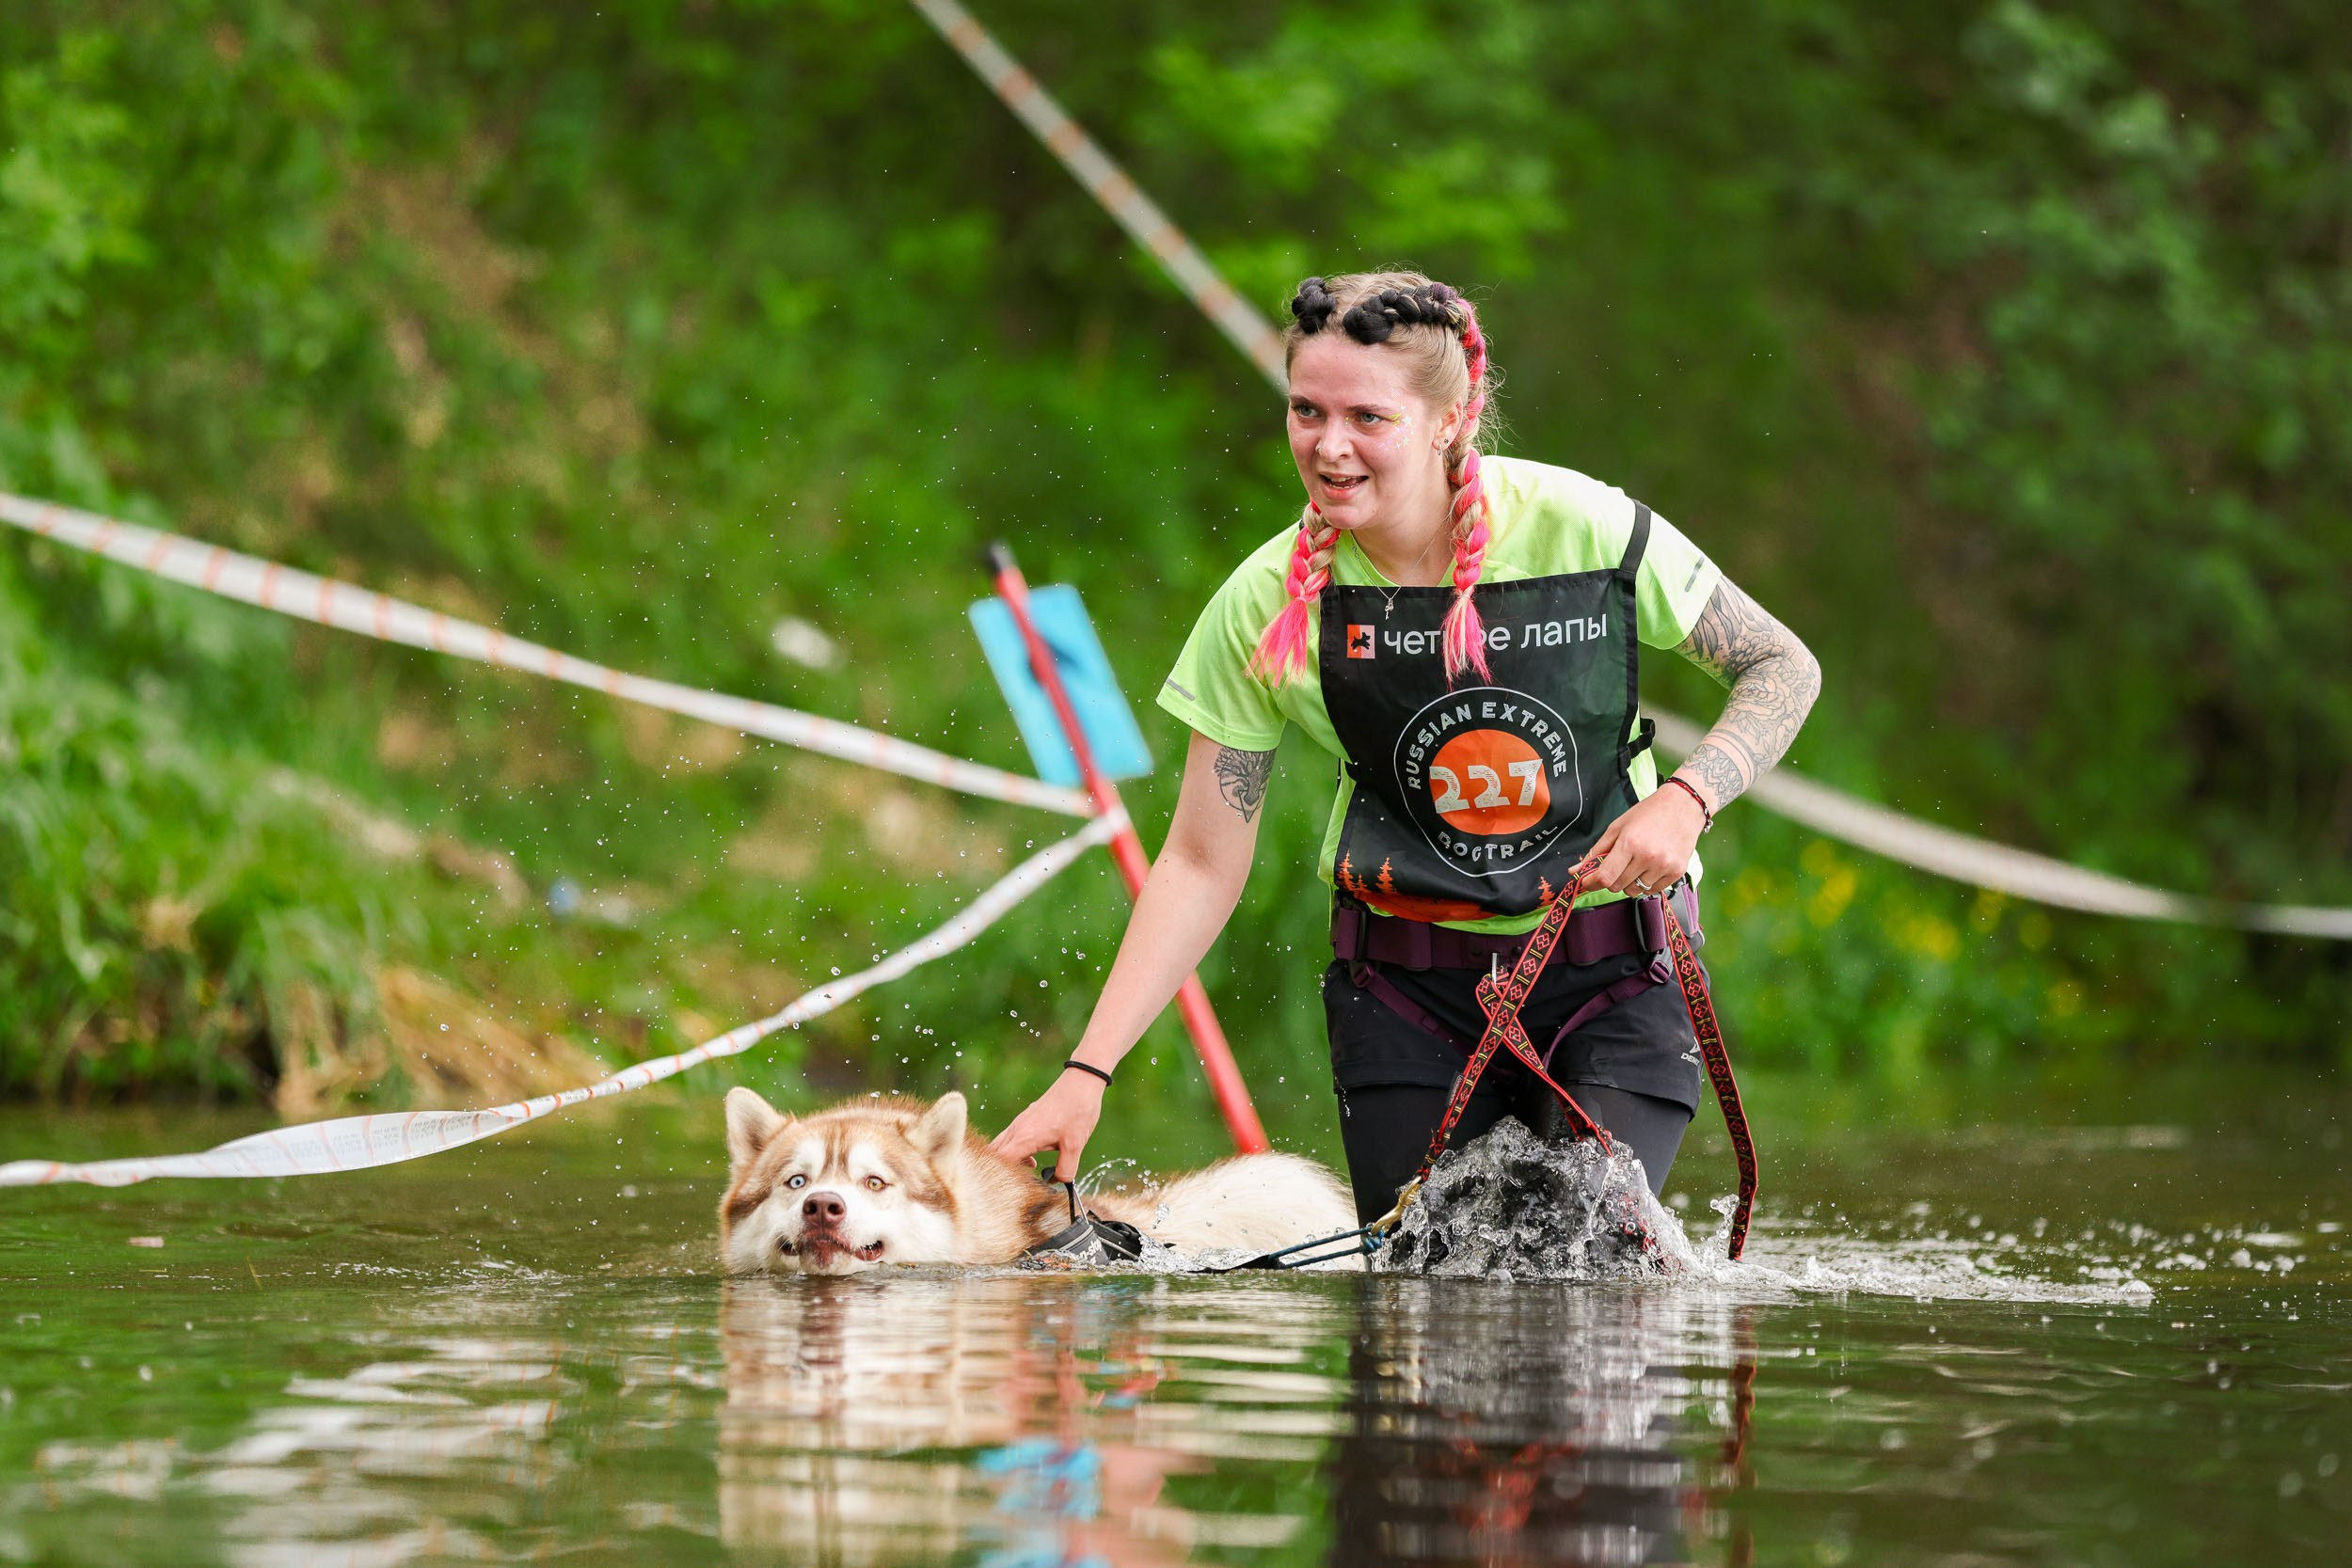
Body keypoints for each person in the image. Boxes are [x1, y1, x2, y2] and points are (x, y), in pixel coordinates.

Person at [992, 270, 1820, 1224]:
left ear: (1449, 419)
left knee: (1584, 1270)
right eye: (1306, 409)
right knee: (1426, 1297)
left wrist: (1688, 797)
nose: (1328, 445)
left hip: (1616, 974)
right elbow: (1199, 861)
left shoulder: (1588, 529)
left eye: (1367, 417)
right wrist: (1086, 1072)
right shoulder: (1261, 605)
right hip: (1404, 998)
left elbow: (1781, 665)